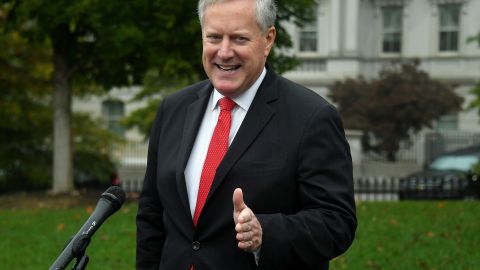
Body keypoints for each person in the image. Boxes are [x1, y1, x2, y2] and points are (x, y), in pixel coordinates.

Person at [136, 0, 357, 269]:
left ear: (268, 39)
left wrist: (264, 232)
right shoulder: (173, 109)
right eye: (214, 37)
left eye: (239, 38)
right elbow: (151, 216)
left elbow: (337, 222)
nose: (224, 52)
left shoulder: (312, 117)